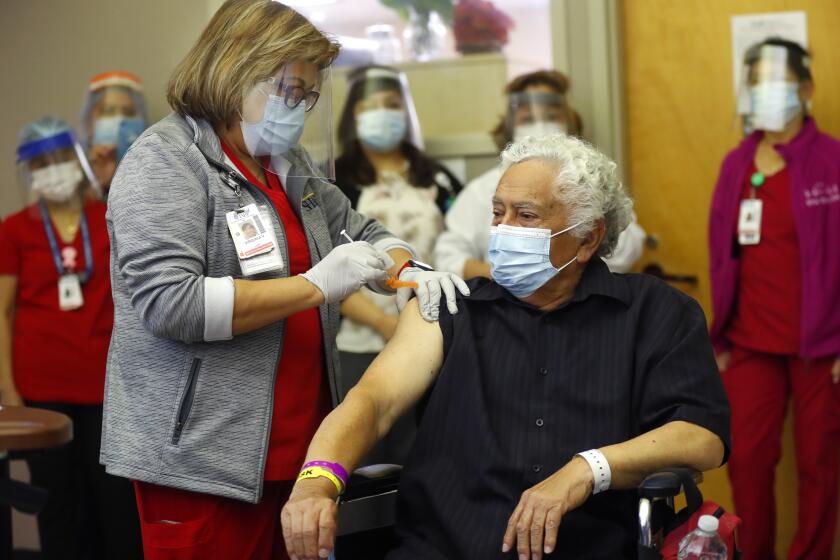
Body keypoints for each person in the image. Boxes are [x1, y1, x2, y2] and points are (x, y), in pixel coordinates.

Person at [100, 2, 467, 559]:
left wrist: (405, 266)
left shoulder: (282, 161)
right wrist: (315, 287)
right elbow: (171, 304)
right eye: (286, 90)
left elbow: (360, 229)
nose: (295, 107)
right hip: (203, 459)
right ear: (232, 71)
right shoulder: (166, 160)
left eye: (308, 95)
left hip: (302, 451)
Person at [282, 134, 731, 560]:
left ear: (588, 238)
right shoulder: (451, 306)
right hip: (446, 550)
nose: (503, 230)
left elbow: (700, 438)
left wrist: (586, 470)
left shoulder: (657, 314)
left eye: (526, 216)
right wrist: (316, 481)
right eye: (498, 213)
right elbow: (373, 402)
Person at [709, 37, 840, 560]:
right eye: (756, 80)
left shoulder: (832, 160)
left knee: (818, 465)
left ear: (806, 88)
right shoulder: (737, 164)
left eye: (778, 79)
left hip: (823, 348)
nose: (766, 90)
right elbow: (722, 252)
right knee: (747, 461)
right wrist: (719, 335)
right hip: (750, 343)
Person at [0, 117, 141, 559]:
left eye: (61, 157)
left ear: (77, 160)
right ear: (28, 173)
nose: (53, 168)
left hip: (109, 388)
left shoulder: (111, 216)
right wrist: (7, 390)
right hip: (38, 393)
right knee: (54, 506)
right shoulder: (14, 229)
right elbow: (1, 312)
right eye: (40, 162)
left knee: (117, 504)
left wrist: (112, 179)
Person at [333, 65, 463, 462]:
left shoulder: (437, 179)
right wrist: (387, 324)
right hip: (359, 340)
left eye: (391, 105)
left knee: (432, 448)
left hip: (437, 333)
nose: (382, 114)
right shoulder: (337, 182)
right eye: (369, 106)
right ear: (352, 114)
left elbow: (458, 245)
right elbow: (326, 266)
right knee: (364, 447)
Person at [435, 70, 646, 279]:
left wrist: (560, 274)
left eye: (552, 116)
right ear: (510, 127)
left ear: (570, 122)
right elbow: (449, 257)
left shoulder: (592, 183)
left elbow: (627, 247)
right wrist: (506, 277)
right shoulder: (481, 191)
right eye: (528, 119)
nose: (541, 125)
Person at [80, 71, 148, 195]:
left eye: (129, 112)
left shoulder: (153, 166)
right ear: (89, 122)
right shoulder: (76, 173)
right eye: (108, 111)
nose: (120, 119)